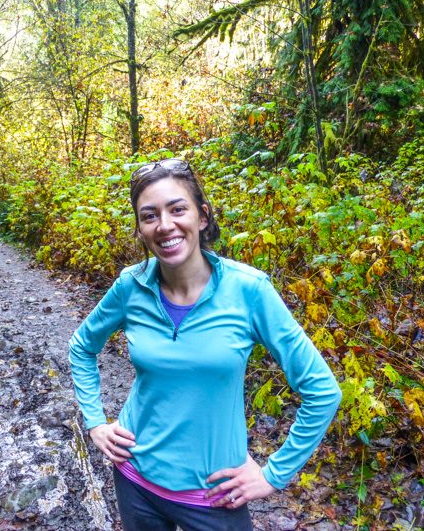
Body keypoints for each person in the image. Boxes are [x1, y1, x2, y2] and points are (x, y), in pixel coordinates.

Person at [69, 158, 342, 531]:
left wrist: (274, 474)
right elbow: (82, 347)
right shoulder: (131, 286)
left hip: (215, 496)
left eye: (177, 209)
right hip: (135, 478)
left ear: (201, 216)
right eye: (149, 216)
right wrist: (96, 422)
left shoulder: (249, 290)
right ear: (141, 229)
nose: (165, 225)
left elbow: (323, 390)